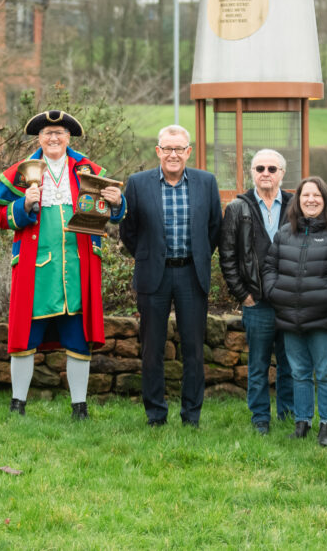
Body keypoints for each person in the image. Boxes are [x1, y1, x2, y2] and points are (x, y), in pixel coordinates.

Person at [0, 110, 125, 420]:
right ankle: (17, 404)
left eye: (59, 133)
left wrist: (118, 202)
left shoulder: (88, 170)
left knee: (78, 339)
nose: (53, 138)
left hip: (79, 270)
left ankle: (80, 407)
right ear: (39, 138)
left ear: (69, 137)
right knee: (25, 339)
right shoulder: (22, 172)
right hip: (34, 270)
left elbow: (109, 213)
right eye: (48, 133)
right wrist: (22, 205)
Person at [120, 125, 221, 428]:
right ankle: (155, 415)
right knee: (152, 349)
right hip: (154, 276)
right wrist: (149, 254)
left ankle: (191, 416)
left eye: (179, 148)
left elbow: (214, 227)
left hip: (192, 274)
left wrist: (199, 256)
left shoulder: (206, 182)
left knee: (193, 349)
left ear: (189, 151)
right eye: (168, 148)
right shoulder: (138, 184)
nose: (173, 154)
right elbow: (129, 230)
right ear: (158, 152)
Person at [263, 176, 327, 446]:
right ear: (298, 200)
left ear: (326, 200)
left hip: (324, 317)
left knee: (326, 373)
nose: (311, 200)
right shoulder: (284, 233)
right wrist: (273, 292)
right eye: (305, 195)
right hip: (290, 316)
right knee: (299, 372)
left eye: (317, 195)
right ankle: (302, 422)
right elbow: (269, 268)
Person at [218, 149, 294, 435]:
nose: (266, 173)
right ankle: (260, 418)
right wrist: (243, 295)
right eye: (260, 168)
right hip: (257, 302)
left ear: (282, 174)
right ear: (252, 172)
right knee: (259, 365)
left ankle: (290, 416)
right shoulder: (238, 208)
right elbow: (227, 255)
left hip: (290, 302)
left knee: (291, 363)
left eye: (272, 169)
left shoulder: (295, 205)